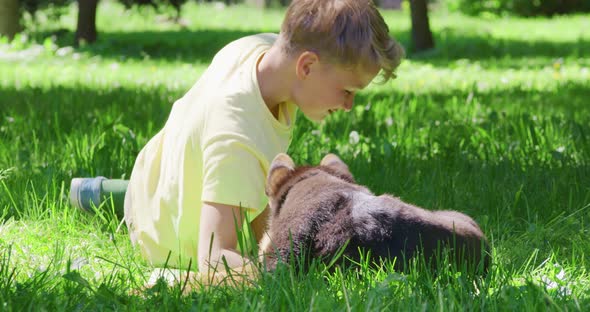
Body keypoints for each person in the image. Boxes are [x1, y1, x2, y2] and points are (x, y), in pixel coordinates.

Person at [70, 0, 404, 274]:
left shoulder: (259, 50)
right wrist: (289, 276)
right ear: (306, 67)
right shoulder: (236, 139)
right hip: (164, 234)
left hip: (158, 176)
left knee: (226, 189)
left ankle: (94, 191)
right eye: (347, 90)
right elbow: (215, 258)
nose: (348, 105)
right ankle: (101, 195)